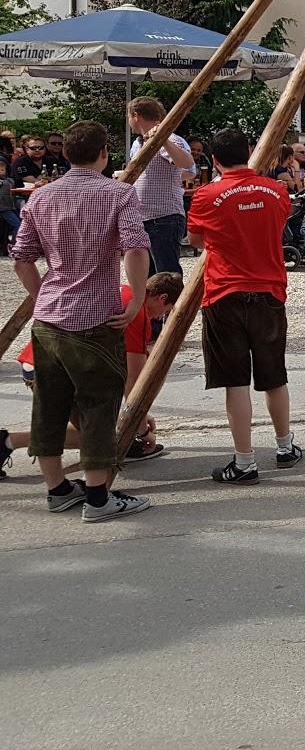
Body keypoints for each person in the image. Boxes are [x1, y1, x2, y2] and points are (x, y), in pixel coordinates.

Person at [9, 120, 152, 522]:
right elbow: (136, 248)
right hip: (96, 318)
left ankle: (56, 488)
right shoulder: (118, 194)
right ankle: (98, 497)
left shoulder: (40, 198)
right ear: (104, 154)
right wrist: (137, 297)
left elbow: (22, 258)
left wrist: (42, 296)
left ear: (66, 154)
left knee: (49, 405)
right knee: (97, 406)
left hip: (50, 316)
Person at [186, 128, 302, 482]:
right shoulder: (277, 190)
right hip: (268, 290)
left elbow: (195, 240)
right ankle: (284, 446)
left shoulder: (206, 195)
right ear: (250, 152)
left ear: (214, 160)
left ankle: (245, 461)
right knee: (273, 376)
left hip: (224, 292)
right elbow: (279, 224)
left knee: (235, 381)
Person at [5, 272, 184, 473]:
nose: (160, 317)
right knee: (98, 435)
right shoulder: (136, 312)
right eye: (165, 311)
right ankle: (8, 442)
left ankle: (9, 442)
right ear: (162, 298)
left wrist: (140, 418)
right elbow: (133, 382)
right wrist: (141, 430)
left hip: (38, 359)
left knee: (93, 424)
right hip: (57, 368)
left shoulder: (120, 292)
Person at [126, 96, 196, 276]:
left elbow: (188, 165)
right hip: (142, 217)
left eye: (128, 117)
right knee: (147, 276)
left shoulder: (172, 139)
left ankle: (175, 305)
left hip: (164, 217)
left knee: (166, 275)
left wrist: (163, 139)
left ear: (135, 116)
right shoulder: (137, 143)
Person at [0, 157, 19, 253]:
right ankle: (14, 246)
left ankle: (8, 245)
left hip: (11, 206)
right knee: (18, 225)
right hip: (3, 208)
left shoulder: (10, 180)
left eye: (2, 165)